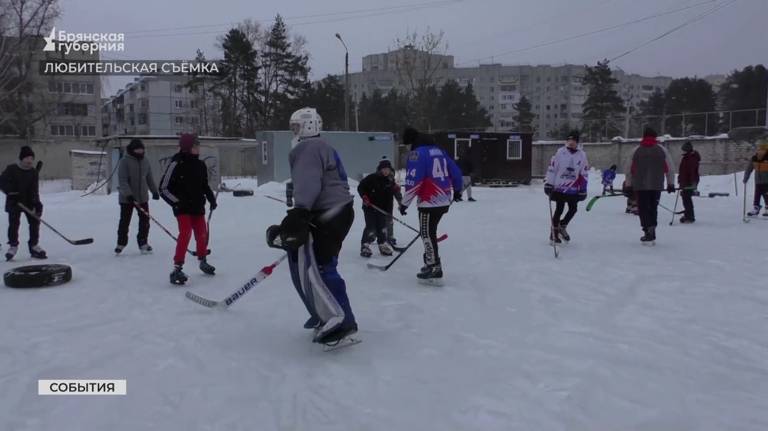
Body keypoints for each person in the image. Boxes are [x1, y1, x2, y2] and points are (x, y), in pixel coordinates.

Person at [266, 107, 357, 345]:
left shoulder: (308, 148)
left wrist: (300, 210)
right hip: (336, 210)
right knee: (313, 263)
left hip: (330, 212)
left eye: (296, 126)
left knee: (321, 267)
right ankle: (322, 312)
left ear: (307, 127)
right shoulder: (322, 147)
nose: (293, 131)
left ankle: (341, 318)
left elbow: (308, 182)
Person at [399, 127, 462, 282]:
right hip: (444, 199)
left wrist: (404, 203)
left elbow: (414, 180)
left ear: (412, 141)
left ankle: (434, 266)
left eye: (407, 144)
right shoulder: (440, 151)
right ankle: (431, 262)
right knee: (430, 232)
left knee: (426, 233)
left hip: (429, 201)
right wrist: (458, 190)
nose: (408, 148)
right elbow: (455, 171)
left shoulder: (417, 154)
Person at [159, 134, 217, 285]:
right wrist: (176, 203)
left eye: (198, 146)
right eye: (195, 146)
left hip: (197, 206)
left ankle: (203, 260)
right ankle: (177, 267)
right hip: (182, 207)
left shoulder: (200, 165)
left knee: (202, 234)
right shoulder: (176, 163)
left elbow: (204, 185)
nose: (198, 148)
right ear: (187, 148)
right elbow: (163, 188)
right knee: (185, 233)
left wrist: (211, 198)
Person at [624, 128, 675, 244]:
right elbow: (670, 168)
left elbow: (629, 169)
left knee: (642, 209)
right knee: (653, 207)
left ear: (644, 136)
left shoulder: (636, 150)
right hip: (656, 185)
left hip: (640, 185)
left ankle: (647, 230)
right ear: (655, 137)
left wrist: (628, 185)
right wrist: (670, 183)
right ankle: (652, 228)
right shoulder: (662, 150)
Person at [0, 146, 45, 260]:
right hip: (14, 202)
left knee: (35, 223)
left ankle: (34, 246)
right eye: (27, 158)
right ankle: (13, 246)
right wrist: (11, 192)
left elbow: (34, 190)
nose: (30, 160)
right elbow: (2, 182)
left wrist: (37, 204)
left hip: (29, 202)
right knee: (14, 225)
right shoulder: (11, 169)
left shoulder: (33, 172)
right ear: (21, 158)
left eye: (31, 158)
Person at [544, 130, 589, 244]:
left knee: (573, 209)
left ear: (577, 142)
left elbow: (584, 173)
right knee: (559, 209)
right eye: (569, 140)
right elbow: (552, 169)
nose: (571, 142)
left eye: (573, 140)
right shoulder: (560, 152)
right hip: (560, 187)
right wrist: (549, 183)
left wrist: (583, 189)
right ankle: (553, 234)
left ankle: (562, 226)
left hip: (573, 188)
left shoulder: (582, 155)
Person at [116, 138, 160, 254]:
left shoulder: (145, 161)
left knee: (145, 221)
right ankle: (121, 243)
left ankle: (143, 243)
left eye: (142, 149)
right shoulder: (124, 161)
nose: (140, 152)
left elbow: (149, 178)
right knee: (125, 221)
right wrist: (129, 195)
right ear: (132, 150)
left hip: (142, 197)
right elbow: (123, 180)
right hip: (127, 198)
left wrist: (154, 191)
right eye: (138, 150)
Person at [357, 159, 397, 258]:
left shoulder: (390, 181)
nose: (386, 171)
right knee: (371, 226)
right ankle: (365, 245)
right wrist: (365, 197)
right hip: (370, 207)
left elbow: (389, 198)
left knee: (382, 227)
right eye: (384, 169)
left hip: (382, 209)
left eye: (387, 169)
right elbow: (361, 187)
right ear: (380, 169)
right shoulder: (372, 178)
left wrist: (389, 212)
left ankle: (382, 244)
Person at [743, 140, 768, 217]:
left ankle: (767, 207)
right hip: (758, 180)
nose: (761, 151)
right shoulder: (754, 158)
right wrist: (746, 178)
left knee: (766, 194)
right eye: (760, 149)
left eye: (763, 150)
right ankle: (756, 207)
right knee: (757, 194)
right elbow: (749, 168)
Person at [677, 141, 701, 223]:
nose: (682, 151)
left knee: (686, 198)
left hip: (689, 183)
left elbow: (692, 172)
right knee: (685, 198)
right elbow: (682, 171)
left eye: (683, 150)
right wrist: (680, 180)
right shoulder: (686, 158)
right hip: (685, 182)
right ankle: (688, 214)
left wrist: (693, 184)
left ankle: (689, 216)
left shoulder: (691, 159)